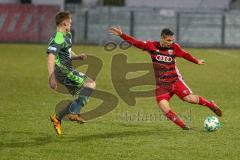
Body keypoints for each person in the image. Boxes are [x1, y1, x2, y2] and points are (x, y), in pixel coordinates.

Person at [109, 26, 222, 130]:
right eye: (168, 40)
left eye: (172, 40)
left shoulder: (174, 47)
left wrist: (196, 61)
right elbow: (135, 42)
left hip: (175, 81)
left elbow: (184, 54)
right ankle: (184, 127)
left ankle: (210, 104)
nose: (171, 42)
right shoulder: (151, 46)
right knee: (164, 108)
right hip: (161, 85)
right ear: (162, 39)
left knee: (189, 99)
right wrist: (121, 35)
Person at [47, 11, 96, 135]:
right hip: (63, 71)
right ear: (64, 23)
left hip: (67, 70)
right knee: (90, 84)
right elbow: (51, 57)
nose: (71, 25)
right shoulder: (58, 37)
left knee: (81, 95)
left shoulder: (67, 35)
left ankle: (57, 118)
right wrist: (51, 77)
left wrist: (77, 57)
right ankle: (74, 113)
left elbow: (66, 52)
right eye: (70, 23)